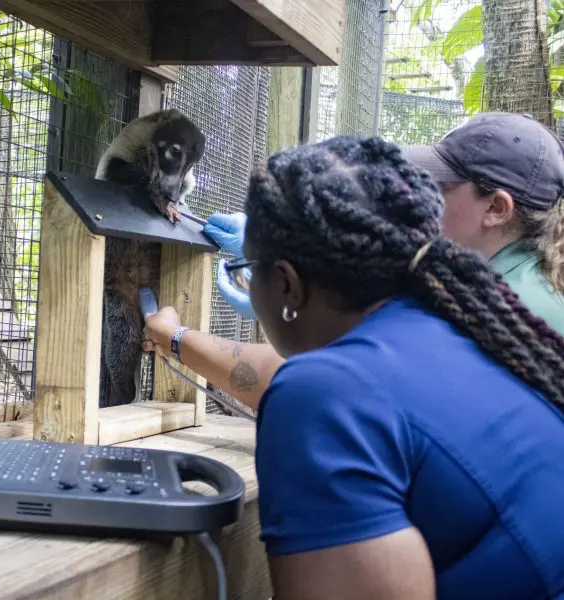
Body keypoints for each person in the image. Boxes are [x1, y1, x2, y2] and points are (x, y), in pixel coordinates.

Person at [142, 135, 564, 599]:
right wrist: (178, 338)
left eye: (249, 267)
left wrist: (173, 337)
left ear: (286, 282)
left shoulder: (320, 394)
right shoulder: (468, 333)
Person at [210, 112, 564, 334]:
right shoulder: (513, 271)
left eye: (439, 186)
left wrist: (178, 338)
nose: (419, 195)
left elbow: (347, 389)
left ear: (497, 209)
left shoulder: (507, 309)